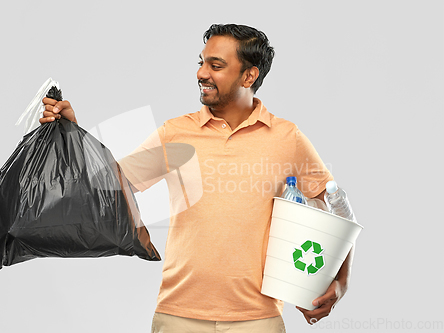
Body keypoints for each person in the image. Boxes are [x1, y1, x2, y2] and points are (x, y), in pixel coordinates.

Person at [40, 23, 354, 333]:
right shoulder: (176, 132)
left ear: (249, 75)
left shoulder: (286, 138)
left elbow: (338, 210)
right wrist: (73, 134)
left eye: (216, 65)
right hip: (179, 317)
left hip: (258, 320)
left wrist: (340, 283)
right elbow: (109, 187)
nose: (201, 73)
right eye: (201, 62)